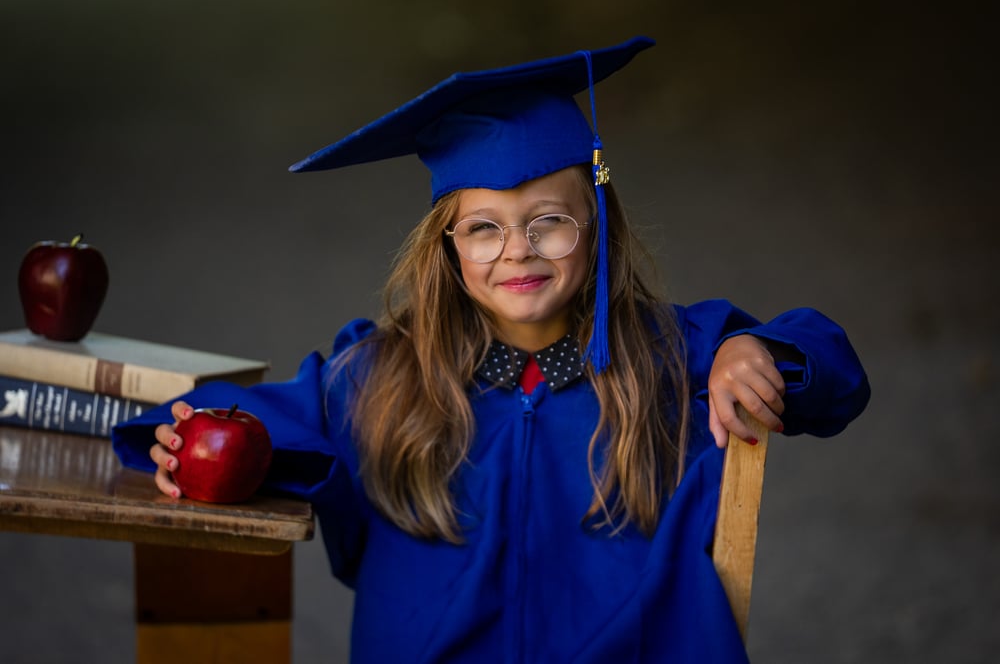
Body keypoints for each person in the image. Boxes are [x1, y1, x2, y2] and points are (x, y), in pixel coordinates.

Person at [112, 36, 870, 662]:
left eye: (550, 221)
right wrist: (186, 439)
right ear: (446, 247)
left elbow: (831, 369)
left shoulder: (670, 356)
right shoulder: (383, 374)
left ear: (596, 224)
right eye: (484, 227)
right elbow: (265, 420)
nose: (519, 251)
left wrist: (755, 350)